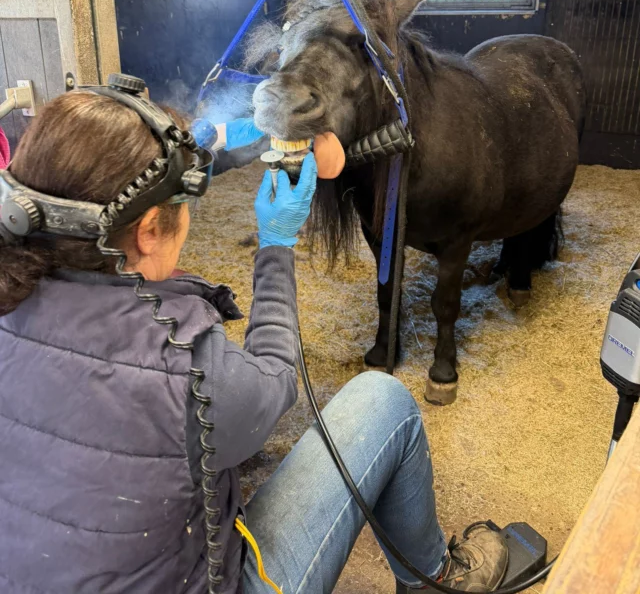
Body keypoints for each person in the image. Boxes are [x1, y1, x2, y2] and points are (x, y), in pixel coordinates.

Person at [0, 87, 508, 594]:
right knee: (385, 401)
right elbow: (274, 381)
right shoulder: (187, 367)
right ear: (149, 230)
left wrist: (229, 139)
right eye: (185, 201)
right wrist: (276, 245)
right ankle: (437, 579)